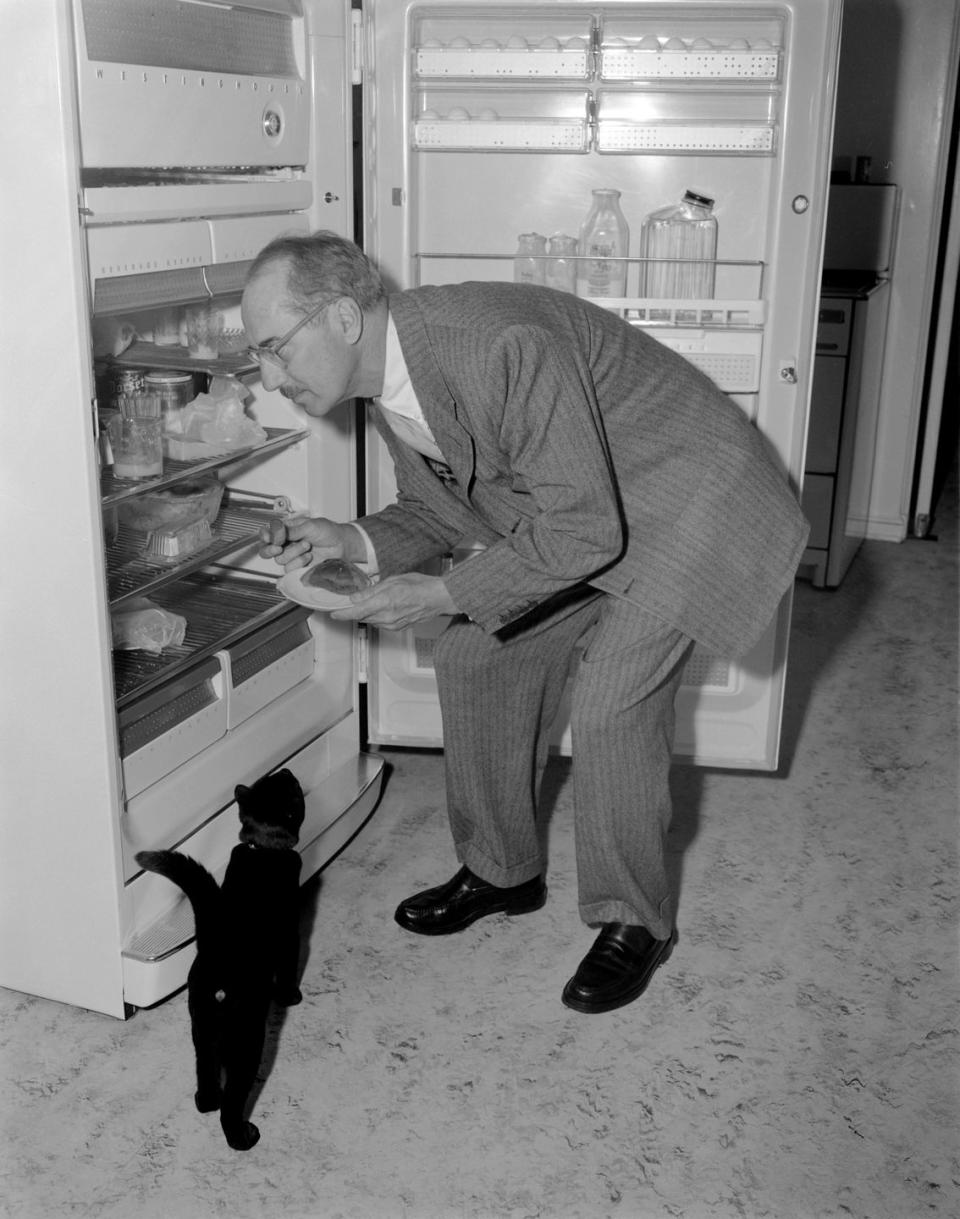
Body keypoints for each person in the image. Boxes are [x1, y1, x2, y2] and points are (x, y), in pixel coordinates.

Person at [241, 230, 809, 1015]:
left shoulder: (495, 345)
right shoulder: (391, 384)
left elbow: (584, 531)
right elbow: (436, 507)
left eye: (275, 348)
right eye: (259, 356)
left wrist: (442, 595)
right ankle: (502, 869)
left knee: (612, 700)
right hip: (587, 515)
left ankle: (633, 918)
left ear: (342, 316)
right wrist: (352, 539)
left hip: (687, 500)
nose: (269, 378)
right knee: (477, 653)